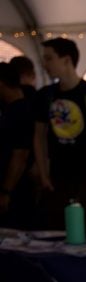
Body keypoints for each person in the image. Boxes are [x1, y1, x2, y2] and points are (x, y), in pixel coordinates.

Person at [33, 38, 86, 236]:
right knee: (56, 231)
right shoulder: (45, 95)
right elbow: (38, 136)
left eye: (49, 59)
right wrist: (43, 173)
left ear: (66, 60)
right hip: (57, 177)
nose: (45, 65)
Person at [0, 62, 35, 228]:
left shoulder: (21, 112)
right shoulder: (9, 109)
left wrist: (6, 191)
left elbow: (20, 155)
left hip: (17, 189)